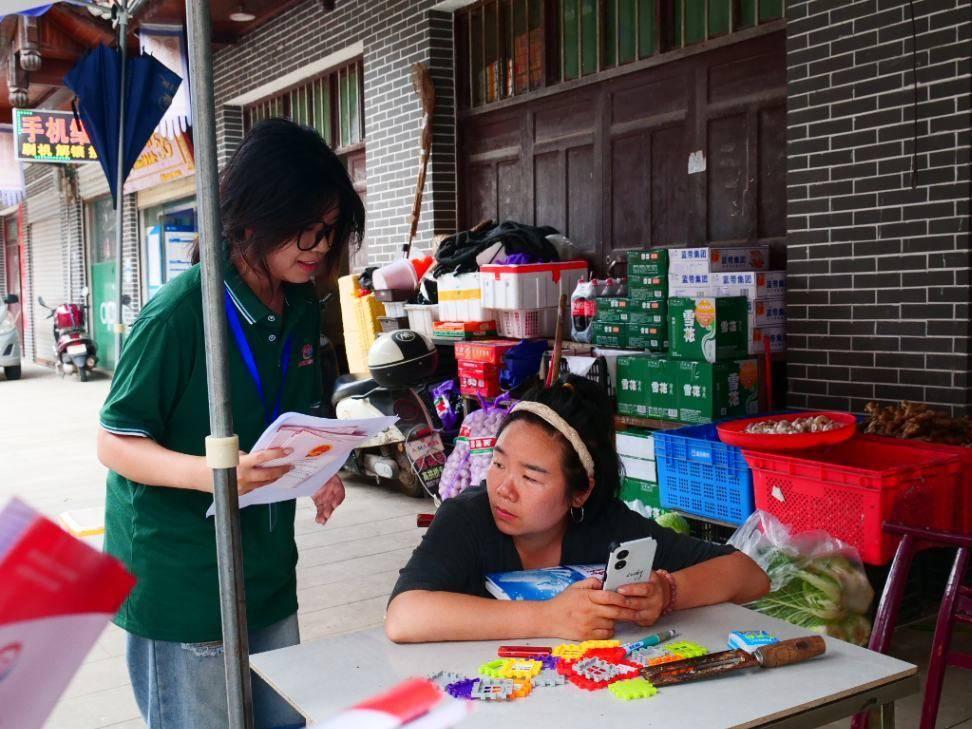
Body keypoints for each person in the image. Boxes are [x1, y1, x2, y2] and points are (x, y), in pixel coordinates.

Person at [97, 119, 365, 728]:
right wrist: (217, 473)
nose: (320, 246)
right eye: (306, 228)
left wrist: (317, 469)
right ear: (251, 216)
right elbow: (114, 440)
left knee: (284, 719)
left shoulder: (301, 307)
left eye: (329, 230)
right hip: (185, 578)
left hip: (268, 569)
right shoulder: (179, 314)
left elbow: (291, 416)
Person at [385, 376, 770, 643]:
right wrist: (550, 618)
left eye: (530, 478)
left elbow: (749, 575)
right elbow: (405, 616)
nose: (503, 488)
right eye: (498, 463)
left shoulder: (609, 528)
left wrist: (667, 593)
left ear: (580, 494)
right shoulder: (467, 518)